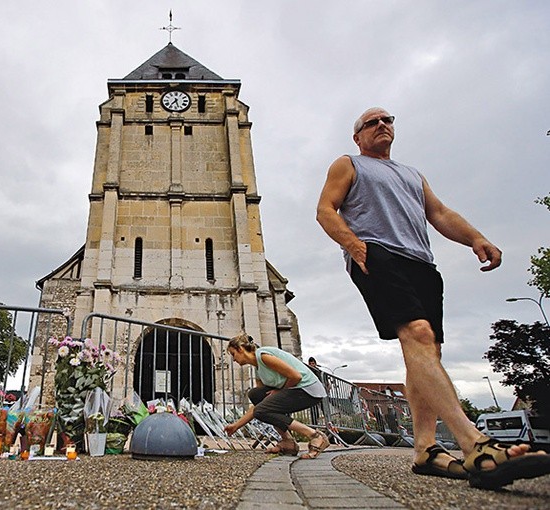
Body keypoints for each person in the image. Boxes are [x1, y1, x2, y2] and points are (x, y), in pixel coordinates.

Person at [316, 107, 550, 489]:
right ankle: (474, 443)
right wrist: (357, 248)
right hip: (378, 254)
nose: (381, 126)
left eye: (387, 120)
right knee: (418, 334)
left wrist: (476, 238)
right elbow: (325, 210)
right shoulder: (348, 165)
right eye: (371, 123)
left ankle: (425, 448)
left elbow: (439, 213)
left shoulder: (412, 175)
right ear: (357, 137)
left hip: (421, 262)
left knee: (427, 352)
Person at [223, 334, 329, 459]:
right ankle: (288, 442)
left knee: (262, 410)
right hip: (294, 390)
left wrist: (279, 391)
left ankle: (315, 436)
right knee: (255, 394)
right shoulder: (258, 369)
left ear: (241, 349)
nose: (234, 360)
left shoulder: (263, 356)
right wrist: (236, 426)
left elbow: (296, 377)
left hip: (308, 390)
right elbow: (259, 405)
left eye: (233, 354)